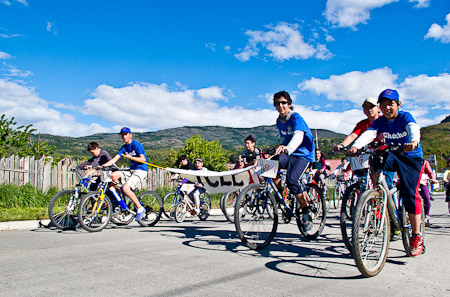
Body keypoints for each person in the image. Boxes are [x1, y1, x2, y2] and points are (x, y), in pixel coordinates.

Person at [347, 89, 425, 257]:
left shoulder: (405, 117)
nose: (387, 108)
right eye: (383, 105)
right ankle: (378, 195)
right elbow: (369, 133)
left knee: (410, 194)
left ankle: (416, 236)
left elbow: (413, 128)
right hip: (393, 154)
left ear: (398, 104)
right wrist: (356, 146)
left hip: (410, 157)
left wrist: (413, 141)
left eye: (390, 104)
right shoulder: (381, 121)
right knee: (375, 160)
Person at [272, 91, 315, 231]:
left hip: (303, 154)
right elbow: (284, 139)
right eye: (277, 103)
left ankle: (305, 211)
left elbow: (298, 135)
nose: (281, 105)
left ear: (289, 104)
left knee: (292, 180)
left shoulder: (296, 117)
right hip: (290, 152)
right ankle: (278, 194)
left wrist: (288, 148)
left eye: (283, 102)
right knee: (268, 165)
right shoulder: (279, 121)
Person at [101, 127, 148, 221]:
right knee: (113, 176)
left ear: (130, 135)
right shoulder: (123, 148)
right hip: (131, 170)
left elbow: (143, 159)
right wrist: (101, 166)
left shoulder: (136, 145)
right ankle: (122, 200)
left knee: (125, 188)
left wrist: (132, 158)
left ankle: (140, 208)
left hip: (140, 170)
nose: (124, 136)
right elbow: (113, 160)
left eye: (126, 134)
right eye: (122, 135)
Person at [419, 160, 438, 226]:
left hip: (422, 182)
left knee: (427, 198)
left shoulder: (424, 162)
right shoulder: (407, 159)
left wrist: (433, 179)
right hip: (412, 182)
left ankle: (426, 217)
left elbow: (430, 172)